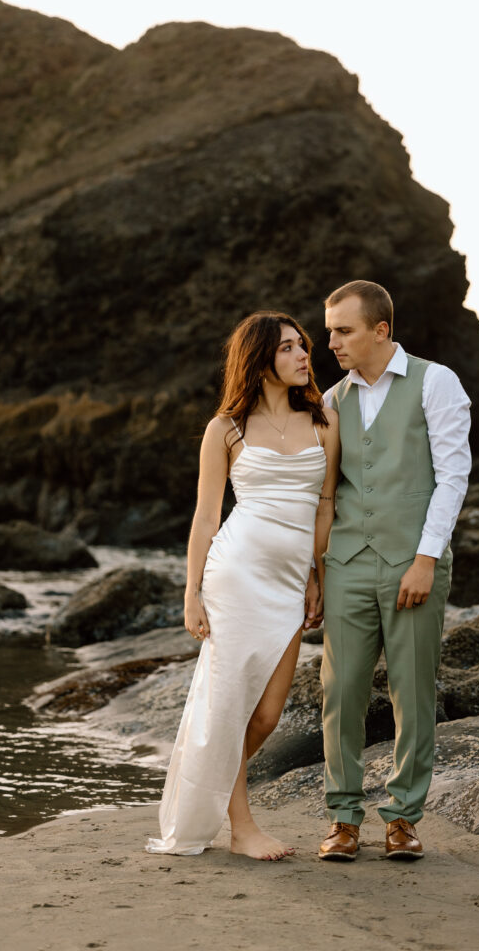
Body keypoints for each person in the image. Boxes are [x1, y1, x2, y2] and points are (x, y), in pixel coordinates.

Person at [146, 311, 339, 861]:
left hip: (287, 580)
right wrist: (192, 593)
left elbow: (324, 507)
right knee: (230, 706)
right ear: (260, 360)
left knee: (268, 714)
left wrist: (315, 577)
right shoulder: (225, 428)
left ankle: (208, 789)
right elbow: (207, 517)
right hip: (234, 575)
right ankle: (242, 826)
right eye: (288, 349)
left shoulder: (324, 420)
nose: (304, 355)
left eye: (303, 346)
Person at [316, 280, 471, 861]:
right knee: (341, 692)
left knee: (412, 694)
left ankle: (403, 818)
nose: (331, 342)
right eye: (330, 330)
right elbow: (327, 494)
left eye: (343, 330)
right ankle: (343, 819)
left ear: (381, 330)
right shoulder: (331, 401)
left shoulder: (436, 382)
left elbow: (452, 476)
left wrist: (426, 558)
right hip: (348, 563)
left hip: (415, 563)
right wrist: (317, 573)